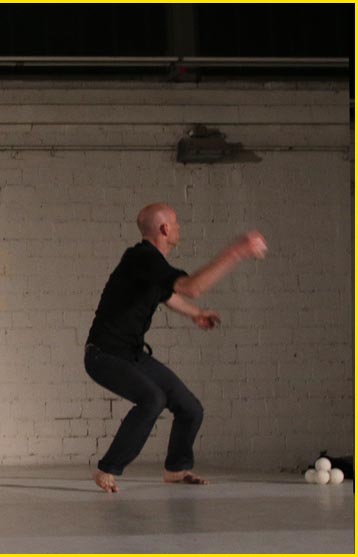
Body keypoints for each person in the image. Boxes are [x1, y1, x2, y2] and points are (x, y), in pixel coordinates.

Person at [84, 203, 266, 493]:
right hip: (103, 355)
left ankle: (176, 469)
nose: (180, 227)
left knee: (190, 408)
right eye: (176, 223)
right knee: (152, 399)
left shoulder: (152, 265)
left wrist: (196, 314)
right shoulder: (141, 257)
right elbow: (192, 287)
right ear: (165, 229)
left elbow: (168, 295)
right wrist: (236, 251)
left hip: (131, 354)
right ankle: (107, 469)